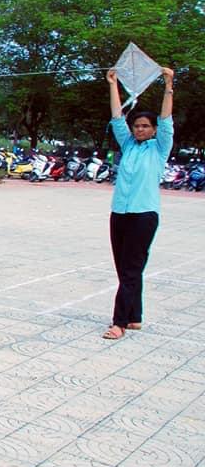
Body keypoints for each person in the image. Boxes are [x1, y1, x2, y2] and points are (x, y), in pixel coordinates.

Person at [102, 66, 174, 340]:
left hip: (144, 215)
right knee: (125, 267)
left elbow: (167, 118)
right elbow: (116, 117)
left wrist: (168, 85)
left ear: (154, 129)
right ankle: (135, 317)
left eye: (145, 126)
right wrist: (113, 84)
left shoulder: (159, 148)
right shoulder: (128, 145)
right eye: (137, 126)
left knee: (131, 268)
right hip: (120, 212)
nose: (140, 129)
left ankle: (118, 322)